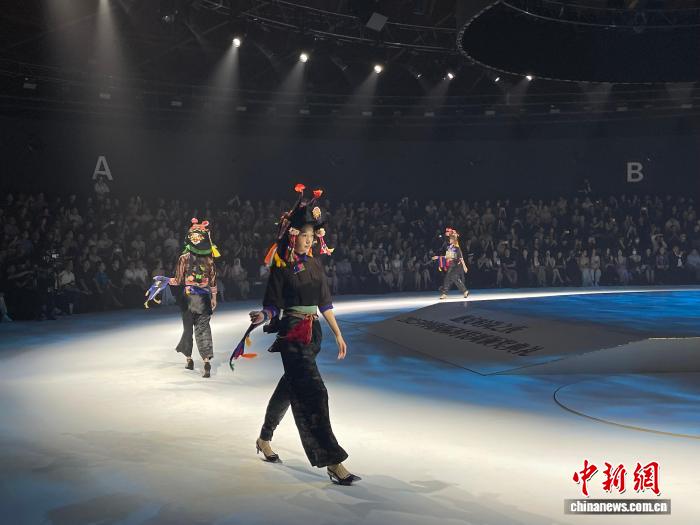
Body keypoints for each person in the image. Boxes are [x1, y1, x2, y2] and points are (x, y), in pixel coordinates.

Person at [249, 184, 360, 486]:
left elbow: (325, 303)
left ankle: (264, 438)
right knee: (315, 392)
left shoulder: (314, 263)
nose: (308, 239)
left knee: (290, 387)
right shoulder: (282, 266)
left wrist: (338, 334)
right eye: (304, 234)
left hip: (314, 335)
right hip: (293, 336)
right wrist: (263, 316)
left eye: (312, 235)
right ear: (292, 235)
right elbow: (273, 304)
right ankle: (333, 461)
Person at [169, 218, 219, 378]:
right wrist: (214, 297)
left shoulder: (184, 258)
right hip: (204, 298)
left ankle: (189, 360)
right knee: (203, 329)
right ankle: (206, 361)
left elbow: (177, 280)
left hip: (188, 298)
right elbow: (213, 281)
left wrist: (165, 280)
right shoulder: (209, 259)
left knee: (188, 329)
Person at [433, 227, 469, 300]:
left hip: (457, 265)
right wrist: (438, 257)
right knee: (452, 277)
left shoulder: (457, 247)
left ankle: (445, 293)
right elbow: (447, 256)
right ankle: (464, 291)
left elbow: (461, 258)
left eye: (451, 239)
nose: (449, 240)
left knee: (450, 277)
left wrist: (464, 266)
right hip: (452, 264)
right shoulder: (449, 247)